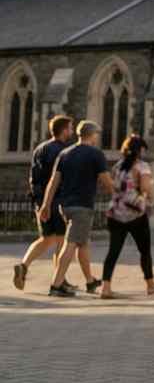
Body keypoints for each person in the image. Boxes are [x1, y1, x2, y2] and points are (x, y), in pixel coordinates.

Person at [36, 120, 115, 298]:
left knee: (83, 242)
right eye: (97, 135)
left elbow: (53, 182)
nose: (97, 138)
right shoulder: (95, 154)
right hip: (82, 207)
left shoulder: (65, 153)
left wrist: (46, 205)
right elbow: (107, 182)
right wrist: (119, 195)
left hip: (66, 206)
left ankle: (90, 281)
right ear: (92, 135)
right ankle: (56, 285)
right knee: (70, 244)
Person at [14, 116, 79, 293]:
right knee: (61, 242)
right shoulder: (65, 151)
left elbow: (33, 177)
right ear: (64, 130)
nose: (72, 132)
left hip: (40, 201)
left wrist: (40, 202)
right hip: (57, 201)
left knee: (47, 238)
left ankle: (23, 265)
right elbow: (61, 179)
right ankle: (60, 281)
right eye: (70, 128)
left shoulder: (39, 149)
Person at [99, 134, 154, 299]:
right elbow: (145, 188)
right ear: (140, 150)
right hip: (135, 215)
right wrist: (149, 194)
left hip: (115, 214)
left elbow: (113, 187)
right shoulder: (142, 167)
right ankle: (150, 285)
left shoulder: (118, 166)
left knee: (113, 251)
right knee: (144, 250)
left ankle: (105, 288)